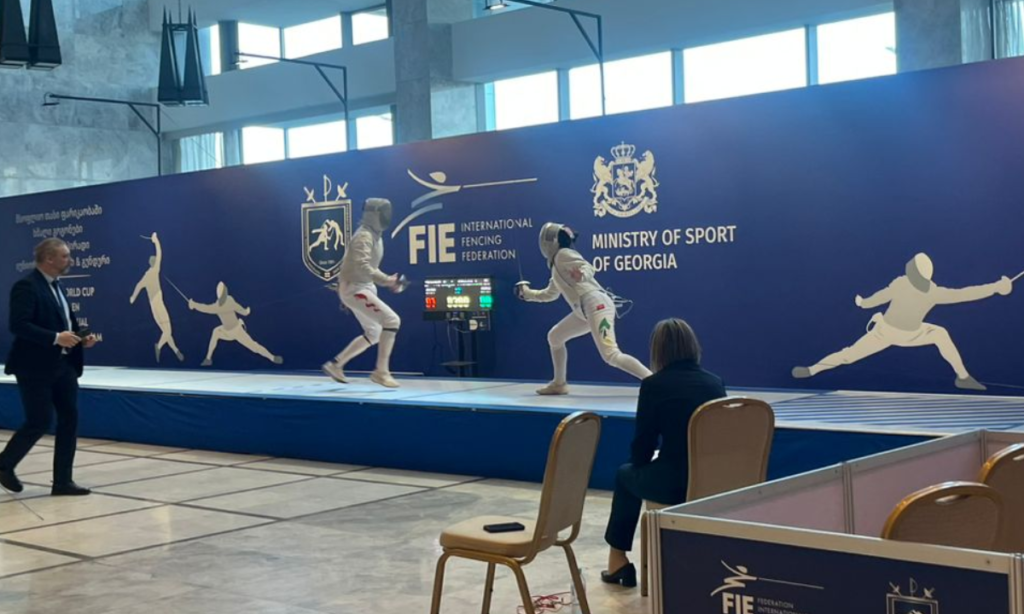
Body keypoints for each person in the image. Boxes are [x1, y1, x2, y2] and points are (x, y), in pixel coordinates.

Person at [601, 318, 725, 587]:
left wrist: (642, 463)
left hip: (676, 483)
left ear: (658, 350)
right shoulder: (715, 383)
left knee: (625, 475)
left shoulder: (654, 386)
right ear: (693, 346)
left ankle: (617, 560)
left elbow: (642, 449)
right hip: (717, 482)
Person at [792, 253, 1013, 391]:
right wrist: (996, 288)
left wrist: (995, 287)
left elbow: (965, 293)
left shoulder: (923, 289)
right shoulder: (914, 287)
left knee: (940, 333)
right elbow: (965, 293)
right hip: (885, 332)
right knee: (848, 355)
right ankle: (811, 370)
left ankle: (963, 377)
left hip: (909, 333)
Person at [0, 238, 97, 496]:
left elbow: (65, 322)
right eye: (65, 256)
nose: (70, 260)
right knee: (39, 420)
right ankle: (4, 464)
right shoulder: (27, 286)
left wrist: (80, 337)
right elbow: (19, 325)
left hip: (63, 364)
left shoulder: (58, 287)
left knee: (69, 419)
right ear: (49, 259)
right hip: (34, 367)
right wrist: (56, 338)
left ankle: (63, 481)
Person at [515, 222, 652, 395]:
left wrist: (582, 275)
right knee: (555, 337)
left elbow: (587, 266)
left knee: (611, 355)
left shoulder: (564, 254)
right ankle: (559, 384)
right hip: (584, 311)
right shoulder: (557, 267)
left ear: (549, 241)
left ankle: (654, 382)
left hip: (596, 304)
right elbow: (550, 294)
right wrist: (528, 293)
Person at [322, 198, 405, 388]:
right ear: (374, 214)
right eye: (383, 212)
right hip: (355, 289)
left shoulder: (375, 236)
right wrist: (386, 280)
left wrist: (388, 282)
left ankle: (336, 365)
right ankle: (381, 372)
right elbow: (362, 265)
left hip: (363, 287)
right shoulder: (364, 236)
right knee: (392, 321)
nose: (387, 216)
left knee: (374, 333)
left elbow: (367, 267)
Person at [189, 282, 282, 367]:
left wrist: (194, 305)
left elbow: (206, 308)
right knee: (216, 332)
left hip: (237, 331)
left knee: (254, 347)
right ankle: (208, 359)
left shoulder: (222, 304)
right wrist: (246, 311)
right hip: (226, 331)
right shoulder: (225, 302)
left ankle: (272, 357)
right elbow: (242, 311)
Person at [129, 232, 184, 363]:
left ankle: (176, 350)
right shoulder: (154, 270)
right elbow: (160, 254)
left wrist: (133, 297)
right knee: (168, 330)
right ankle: (158, 346)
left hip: (153, 307)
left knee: (166, 331)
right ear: (153, 263)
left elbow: (138, 286)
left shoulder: (146, 276)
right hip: (158, 303)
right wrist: (156, 241)